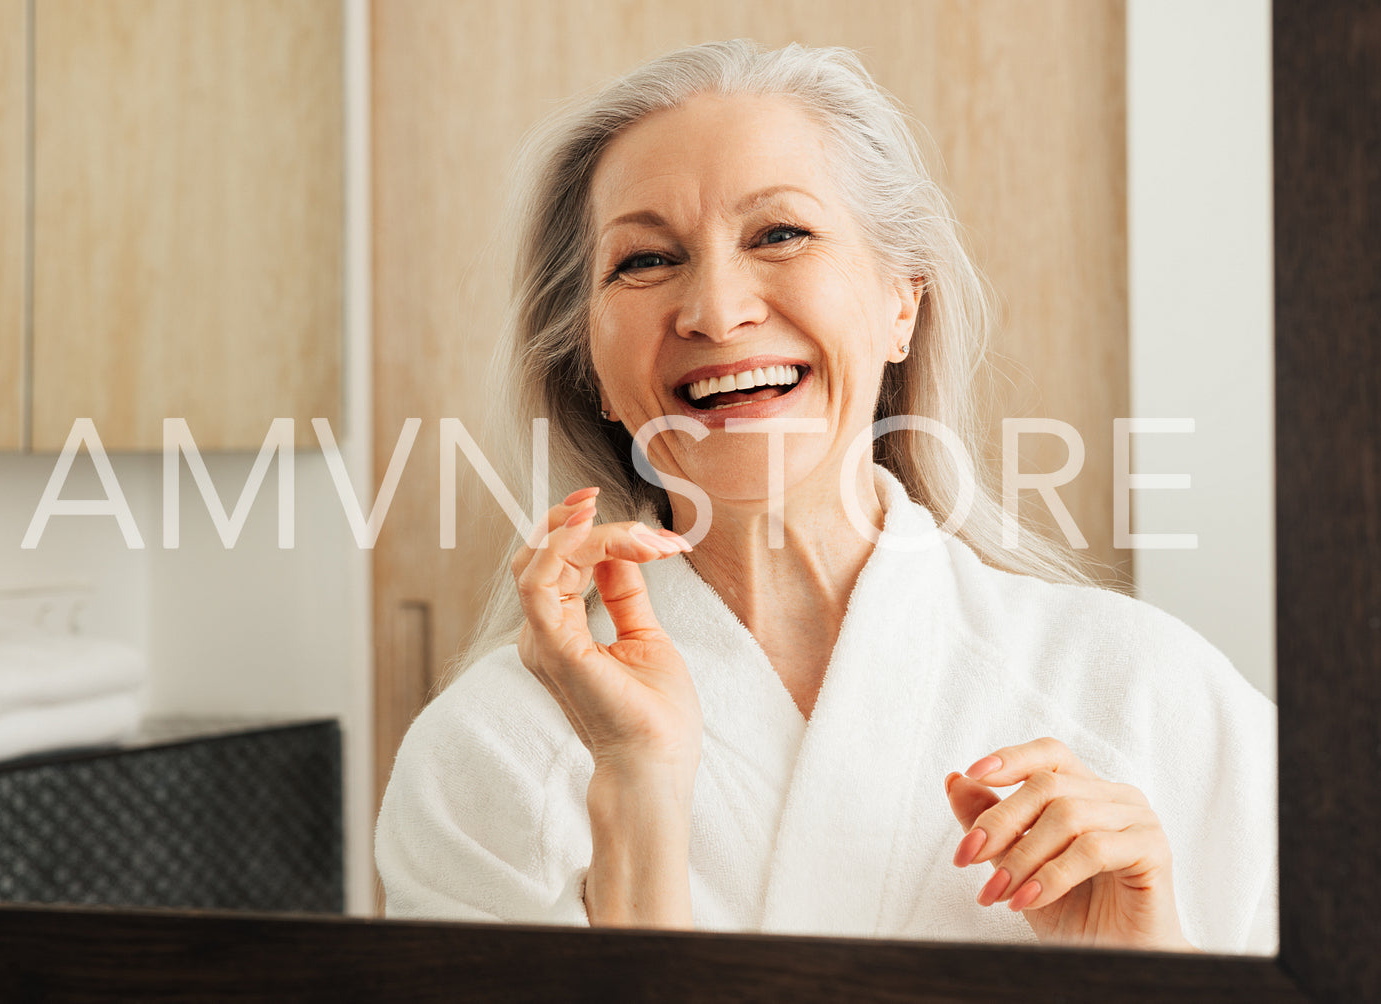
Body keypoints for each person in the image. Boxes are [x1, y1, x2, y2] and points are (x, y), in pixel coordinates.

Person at [374, 39, 1276, 955]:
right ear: (592, 369)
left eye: (779, 234)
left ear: (900, 303)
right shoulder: (487, 754)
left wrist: (1138, 973)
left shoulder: (1149, 695)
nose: (716, 311)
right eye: (645, 261)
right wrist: (639, 800)